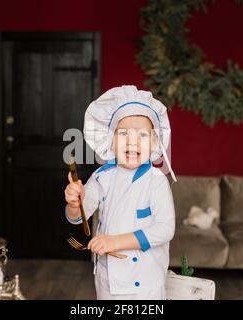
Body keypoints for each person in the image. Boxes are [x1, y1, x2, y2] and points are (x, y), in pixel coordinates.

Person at [64, 85, 176, 299]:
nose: (132, 141)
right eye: (123, 133)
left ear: (154, 142)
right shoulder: (101, 177)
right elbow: (78, 218)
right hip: (107, 279)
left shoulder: (156, 181)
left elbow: (165, 229)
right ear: (110, 141)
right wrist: (73, 203)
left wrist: (115, 241)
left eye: (142, 134)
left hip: (145, 282)